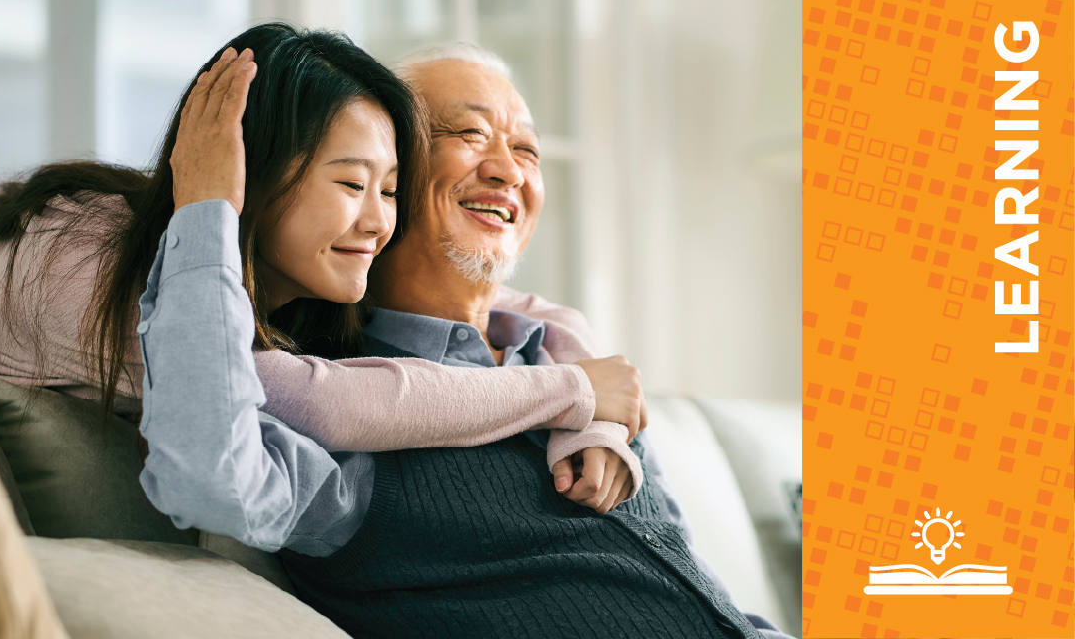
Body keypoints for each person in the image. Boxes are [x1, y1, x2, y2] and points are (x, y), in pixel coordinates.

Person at [0, 22, 644, 508]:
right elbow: (260, 451)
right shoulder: (102, 264)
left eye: (392, 189)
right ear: (253, 175)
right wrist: (570, 392)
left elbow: (526, 309)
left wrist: (594, 402)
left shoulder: (286, 279)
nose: (378, 222)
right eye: (353, 183)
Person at [138, 34, 794, 638]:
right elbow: (212, 477)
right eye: (470, 135)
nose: (509, 170)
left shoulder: (582, 372)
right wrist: (207, 211)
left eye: (528, 150)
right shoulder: (332, 421)